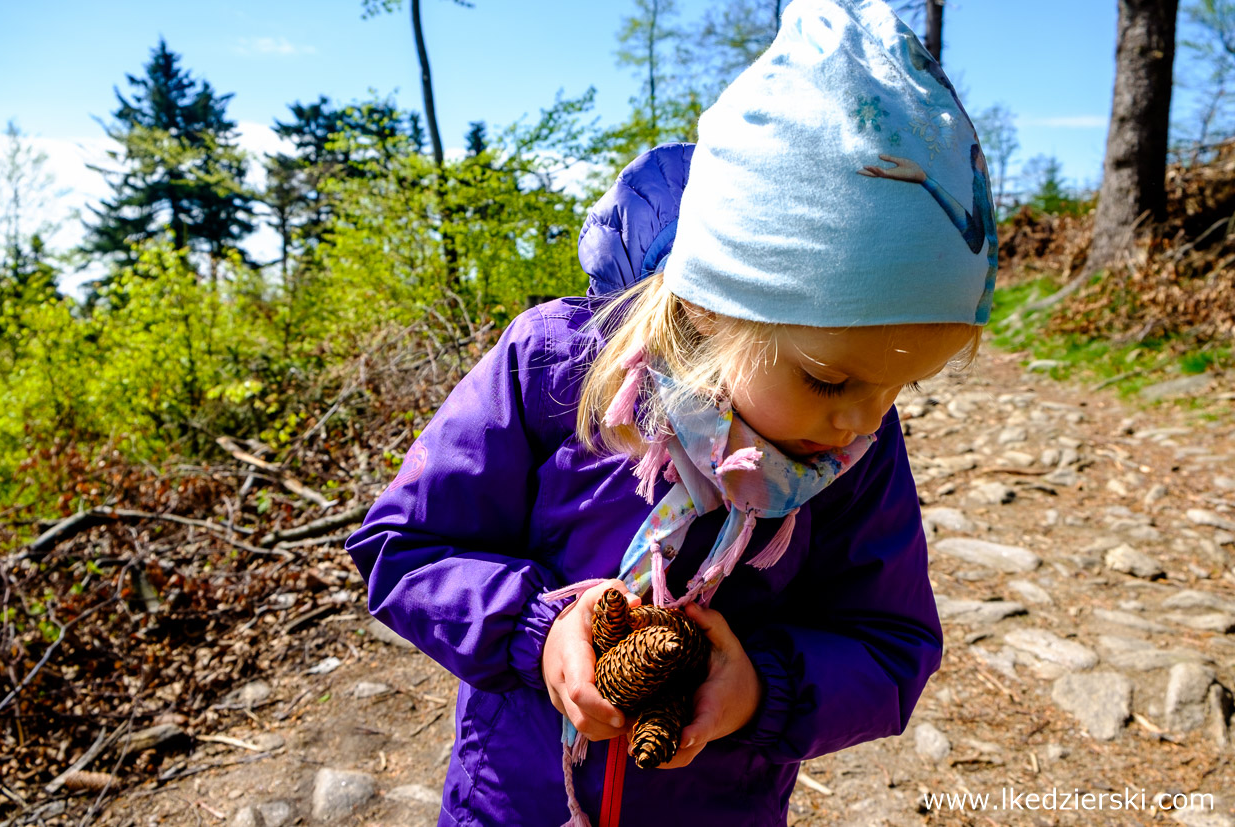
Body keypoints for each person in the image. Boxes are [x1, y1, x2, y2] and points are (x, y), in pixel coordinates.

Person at [345, 0, 997, 824]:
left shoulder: (855, 456)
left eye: (896, 389)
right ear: (710, 306)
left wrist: (762, 685)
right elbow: (403, 547)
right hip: (514, 803)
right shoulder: (554, 367)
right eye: (830, 381)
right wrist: (538, 631)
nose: (857, 424)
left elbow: (892, 642)